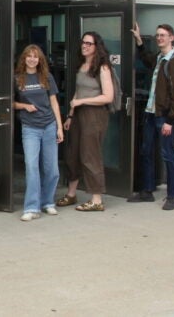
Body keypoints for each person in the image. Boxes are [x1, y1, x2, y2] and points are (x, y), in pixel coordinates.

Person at [127, 23, 174, 211]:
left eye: (163, 35)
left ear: (171, 38)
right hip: (151, 113)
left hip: (163, 117)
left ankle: (172, 195)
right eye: (158, 35)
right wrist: (139, 40)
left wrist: (170, 120)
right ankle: (147, 190)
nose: (159, 38)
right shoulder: (160, 59)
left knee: (167, 155)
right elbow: (146, 59)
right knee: (146, 151)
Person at [57, 32, 116, 212]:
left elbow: (108, 97)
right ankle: (71, 194)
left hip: (95, 115)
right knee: (72, 154)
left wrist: (81, 102)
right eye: (83, 42)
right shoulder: (82, 66)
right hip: (79, 115)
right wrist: (71, 115)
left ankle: (96, 199)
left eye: (89, 43)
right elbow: (78, 92)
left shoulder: (103, 68)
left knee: (90, 155)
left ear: (97, 46)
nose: (84, 46)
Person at [12, 45, 65, 221]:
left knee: (52, 169)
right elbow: (9, 103)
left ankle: (47, 202)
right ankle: (31, 207)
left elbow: (54, 103)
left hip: (49, 125)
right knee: (31, 166)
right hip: (30, 128)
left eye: (36, 57)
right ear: (24, 59)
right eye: (29, 56)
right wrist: (24, 106)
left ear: (40, 59)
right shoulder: (18, 78)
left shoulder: (46, 76)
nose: (32, 59)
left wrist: (59, 126)